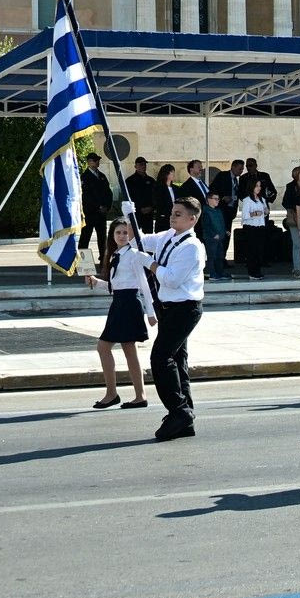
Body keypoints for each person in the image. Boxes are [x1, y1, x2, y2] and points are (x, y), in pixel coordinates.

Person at [124, 195, 207, 441]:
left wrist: (149, 263)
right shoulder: (168, 236)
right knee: (178, 360)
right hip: (168, 307)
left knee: (161, 358)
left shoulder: (192, 246)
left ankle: (178, 411)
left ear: (192, 219)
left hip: (185, 308)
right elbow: (137, 239)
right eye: (172, 211)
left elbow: (171, 278)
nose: (173, 216)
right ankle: (185, 415)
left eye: (179, 214)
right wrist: (130, 215)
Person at [85, 218, 155, 411]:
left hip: (129, 303)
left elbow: (143, 284)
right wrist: (96, 282)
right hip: (120, 302)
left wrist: (151, 312)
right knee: (127, 349)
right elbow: (116, 285)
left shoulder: (133, 254)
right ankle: (135, 395)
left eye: (126, 232)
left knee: (106, 346)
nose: (122, 236)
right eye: (118, 232)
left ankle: (116, 394)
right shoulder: (115, 254)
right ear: (112, 235)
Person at [237, 177, 271, 281]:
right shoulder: (247, 200)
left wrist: (266, 211)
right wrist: (256, 213)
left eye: (260, 186)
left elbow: (265, 211)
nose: (259, 188)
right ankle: (252, 272)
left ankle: (258, 271)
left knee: (259, 250)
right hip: (250, 228)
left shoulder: (262, 199)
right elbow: (245, 216)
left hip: (260, 227)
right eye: (257, 186)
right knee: (252, 250)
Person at [79, 152, 114, 251]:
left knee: (102, 238)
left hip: (101, 213)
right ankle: (82, 260)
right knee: (85, 237)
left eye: (98, 160)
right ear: (89, 162)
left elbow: (108, 192)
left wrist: (107, 206)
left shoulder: (102, 176)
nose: (97, 162)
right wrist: (98, 206)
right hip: (89, 213)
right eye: (95, 160)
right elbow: (86, 196)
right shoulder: (84, 177)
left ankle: (103, 259)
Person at [199, 191, 230, 282]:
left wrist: (225, 231)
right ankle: (212, 273)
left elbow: (221, 223)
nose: (218, 201)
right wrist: (213, 234)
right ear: (209, 199)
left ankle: (220, 272)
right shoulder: (205, 211)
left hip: (220, 237)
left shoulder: (218, 210)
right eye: (215, 199)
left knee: (220, 256)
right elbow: (206, 225)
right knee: (212, 256)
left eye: (218, 199)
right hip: (211, 238)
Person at [126, 156, 158, 233]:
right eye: (140, 164)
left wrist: (152, 207)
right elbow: (129, 197)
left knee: (148, 235)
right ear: (135, 166)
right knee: (134, 236)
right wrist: (139, 208)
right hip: (136, 214)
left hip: (148, 213)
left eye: (144, 164)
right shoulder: (130, 181)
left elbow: (155, 196)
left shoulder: (151, 180)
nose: (143, 166)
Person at [283, 165, 300, 274]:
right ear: (296, 175)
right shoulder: (290, 186)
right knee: (297, 244)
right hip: (294, 218)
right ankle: (297, 268)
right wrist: (293, 209)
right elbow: (285, 202)